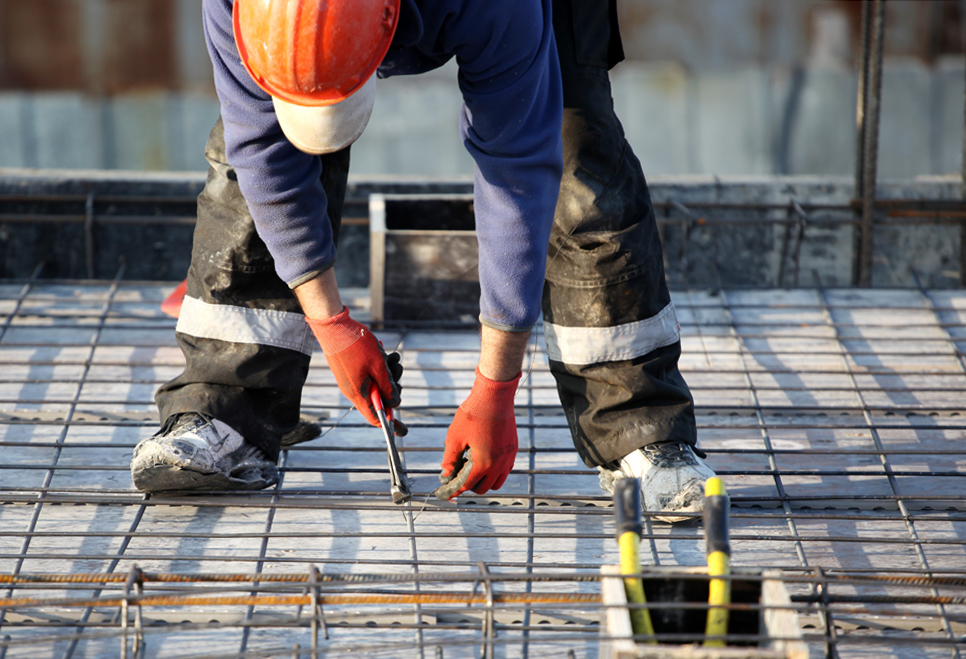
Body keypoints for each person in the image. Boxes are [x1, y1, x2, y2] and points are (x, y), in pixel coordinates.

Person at [131, 0, 715, 522]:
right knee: (248, 158)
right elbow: (264, 152)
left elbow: (517, 170)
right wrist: (331, 325)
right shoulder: (237, 8)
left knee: (574, 150)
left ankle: (640, 426)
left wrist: (495, 388)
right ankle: (223, 408)